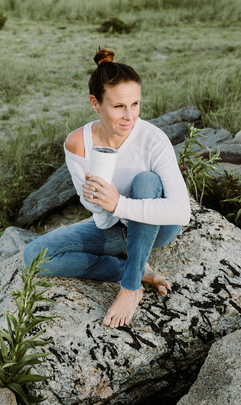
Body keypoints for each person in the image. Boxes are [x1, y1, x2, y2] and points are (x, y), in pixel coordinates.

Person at [23, 47, 191, 329]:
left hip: (158, 227)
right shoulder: (78, 143)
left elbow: (181, 212)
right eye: (118, 106)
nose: (129, 116)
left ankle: (131, 286)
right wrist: (95, 201)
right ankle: (134, 267)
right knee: (35, 258)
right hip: (113, 226)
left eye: (135, 104)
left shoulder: (153, 139)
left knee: (146, 181)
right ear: (95, 103)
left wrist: (118, 203)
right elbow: (98, 213)